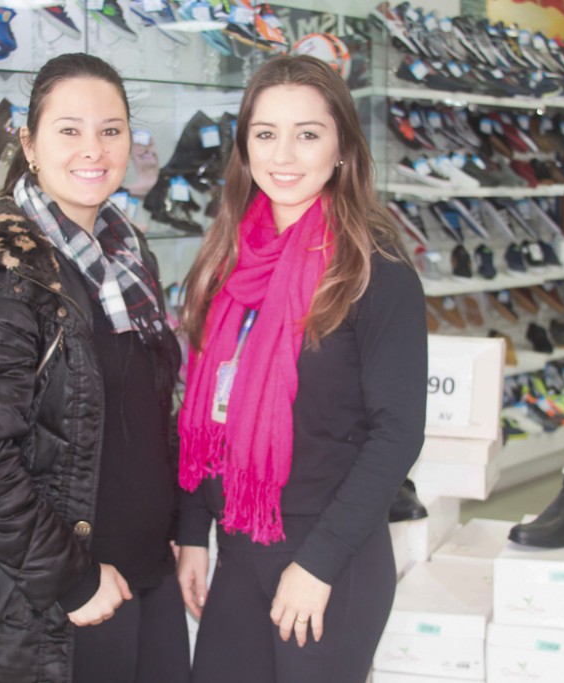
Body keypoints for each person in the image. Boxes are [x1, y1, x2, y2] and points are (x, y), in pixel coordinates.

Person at [0, 53, 188, 683]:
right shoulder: (4, 271)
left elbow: (146, 413)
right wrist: (73, 579)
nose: (93, 149)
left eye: (111, 130)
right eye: (69, 129)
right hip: (53, 606)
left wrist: (174, 522)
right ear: (29, 144)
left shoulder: (127, 254)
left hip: (147, 578)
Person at [176, 55, 428, 683]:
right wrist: (192, 532)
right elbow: (201, 413)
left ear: (342, 147)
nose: (283, 155)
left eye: (307, 134)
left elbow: (398, 432)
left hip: (329, 559)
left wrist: (319, 563)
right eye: (266, 133)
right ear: (245, 146)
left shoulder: (375, 268)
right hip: (238, 546)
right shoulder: (229, 258)